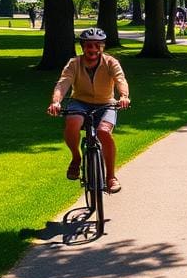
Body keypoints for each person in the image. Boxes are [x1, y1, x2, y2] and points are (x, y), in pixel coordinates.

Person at [46, 27, 131, 193]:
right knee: (72, 122)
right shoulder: (74, 63)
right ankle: (76, 158)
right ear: (83, 46)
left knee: (104, 132)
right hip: (80, 102)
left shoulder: (110, 62)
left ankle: (111, 176)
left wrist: (124, 96)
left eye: (96, 45)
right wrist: (56, 102)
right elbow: (63, 83)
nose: (92, 49)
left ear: (102, 47)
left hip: (106, 103)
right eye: (88, 45)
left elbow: (120, 80)